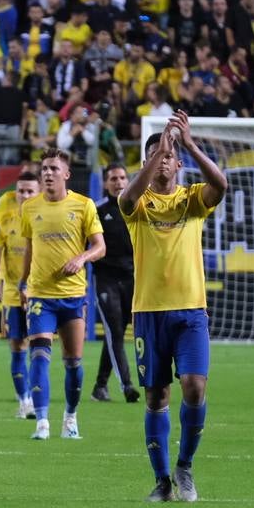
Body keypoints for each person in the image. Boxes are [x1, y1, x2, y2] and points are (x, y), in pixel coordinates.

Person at [118, 111, 227, 502]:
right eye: (156, 155)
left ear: (179, 164)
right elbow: (129, 196)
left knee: (194, 387)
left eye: (168, 155)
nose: (163, 158)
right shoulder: (136, 205)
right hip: (148, 313)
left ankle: (185, 467)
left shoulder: (192, 200)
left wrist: (190, 144)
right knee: (156, 397)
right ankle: (162, 480)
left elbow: (221, 185)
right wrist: (156, 150)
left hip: (191, 312)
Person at [19, 147, 106, 441]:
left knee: (73, 362)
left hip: (72, 295)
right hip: (40, 295)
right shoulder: (29, 208)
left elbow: (99, 246)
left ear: (66, 174)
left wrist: (81, 258)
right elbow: (29, 248)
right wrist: (22, 283)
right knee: (39, 355)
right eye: (44, 168)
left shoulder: (84, 205)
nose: (48, 173)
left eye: (54, 168)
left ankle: (70, 416)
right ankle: (42, 421)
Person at [0, 170, 41, 419]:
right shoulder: (4, 220)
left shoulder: (44, 219)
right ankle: (25, 401)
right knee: (17, 345)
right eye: (21, 190)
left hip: (39, 294)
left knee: (38, 347)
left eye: (29, 191)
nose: (24, 195)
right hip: (12, 295)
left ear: (38, 193)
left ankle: (38, 400)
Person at [92, 162, 141, 404]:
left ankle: (99, 387)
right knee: (114, 331)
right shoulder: (97, 210)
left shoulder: (136, 207)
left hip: (133, 278)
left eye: (122, 177)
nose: (119, 182)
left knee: (118, 334)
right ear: (104, 183)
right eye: (113, 178)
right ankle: (127, 385)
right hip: (106, 279)